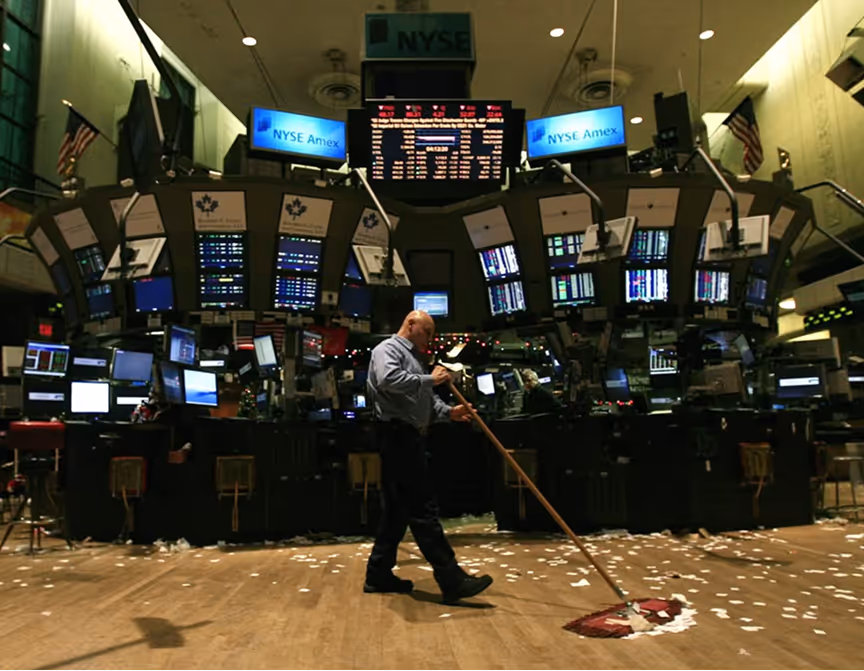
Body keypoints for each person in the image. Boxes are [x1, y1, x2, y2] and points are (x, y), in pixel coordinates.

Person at [364, 310, 494, 603]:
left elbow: (424, 399)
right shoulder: (387, 350)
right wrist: (429, 379)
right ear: (410, 325)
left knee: (397, 513)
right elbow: (388, 380)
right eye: (428, 333)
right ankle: (451, 579)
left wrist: (449, 412)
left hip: (406, 436)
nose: (430, 340)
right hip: (397, 435)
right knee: (423, 509)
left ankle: (378, 574)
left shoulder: (414, 359)